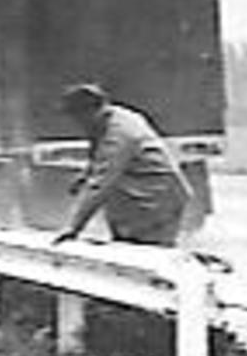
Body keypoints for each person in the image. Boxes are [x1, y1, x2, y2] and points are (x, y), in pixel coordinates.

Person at [52, 83, 193, 247]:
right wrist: (85, 175)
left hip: (156, 200)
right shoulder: (110, 119)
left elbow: (101, 183)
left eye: (77, 117)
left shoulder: (120, 133)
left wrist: (74, 227)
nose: (76, 123)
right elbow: (98, 154)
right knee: (126, 244)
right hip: (140, 196)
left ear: (90, 111)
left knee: (145, 253)